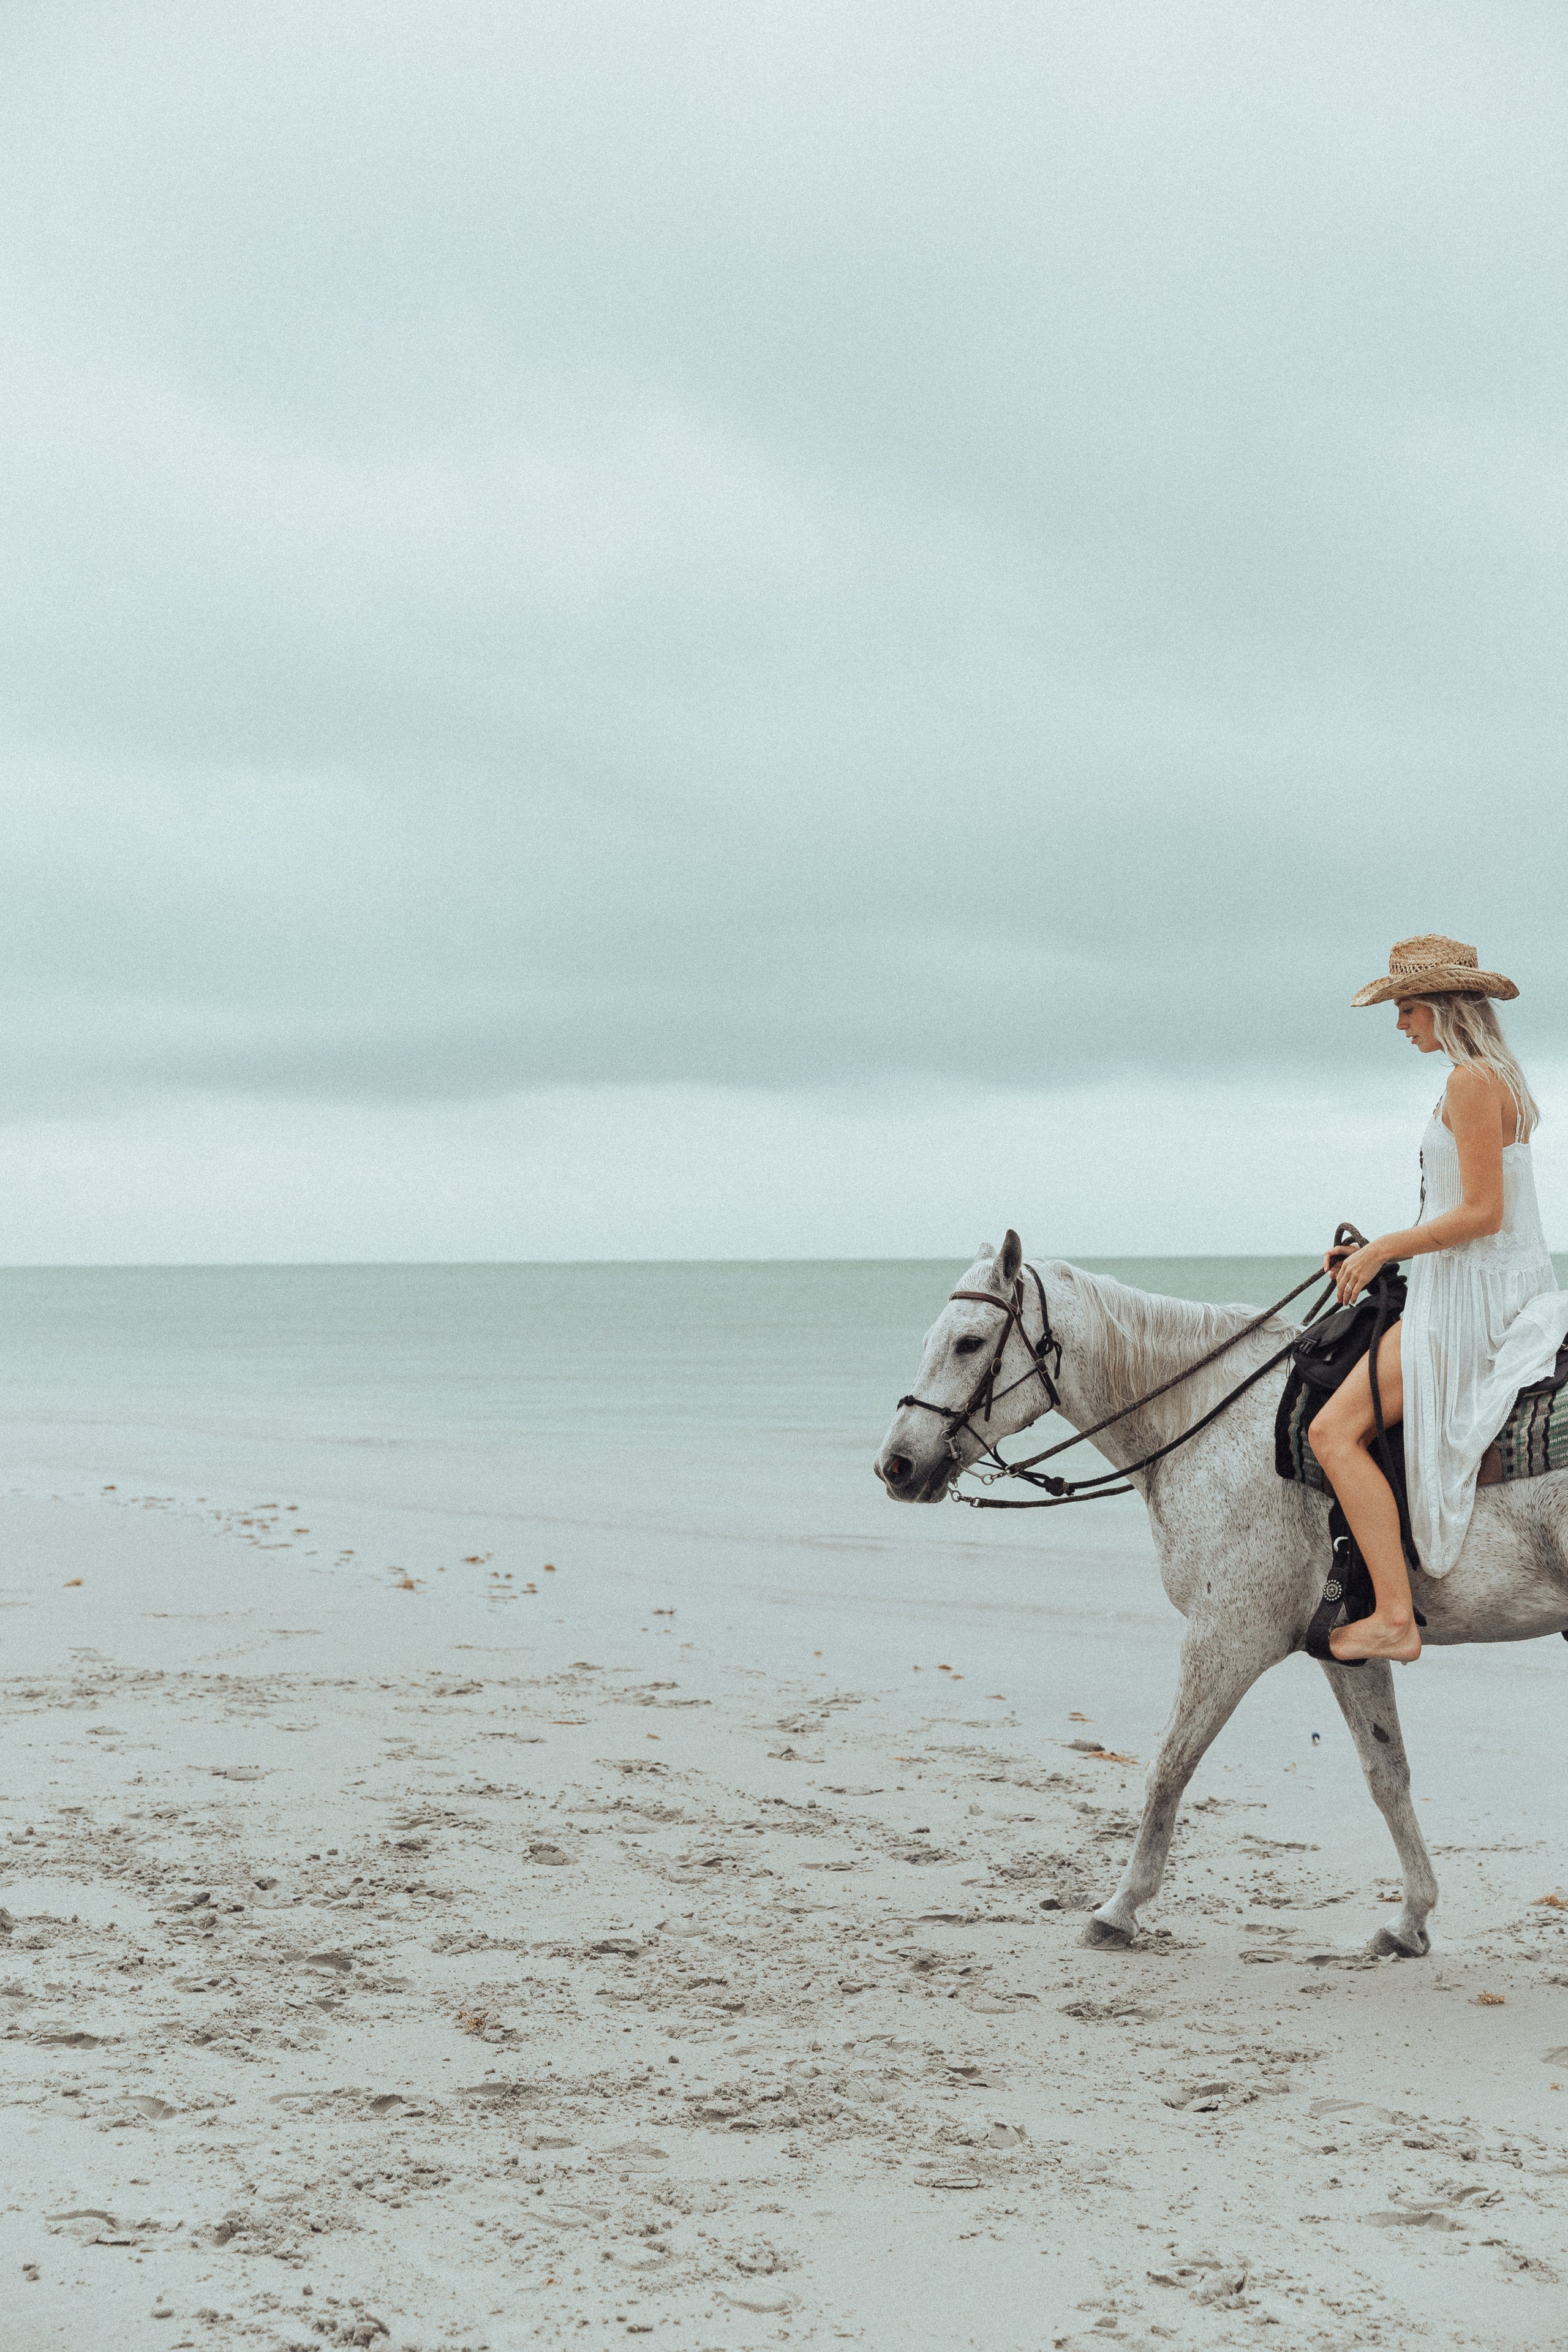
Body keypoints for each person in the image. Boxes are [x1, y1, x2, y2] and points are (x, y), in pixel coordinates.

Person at [1308, 933, 1568, 1664]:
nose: (1400, 1025)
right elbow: (1462, 1207)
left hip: (1473, 1305)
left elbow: (1483, 1213)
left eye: (1407, 1009)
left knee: (1331, 1434)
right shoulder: (1491, 1077)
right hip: (1480, 1283)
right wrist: (1375, 1251)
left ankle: (1395, 1616)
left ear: (1445, 1006)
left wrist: (1386, 1248)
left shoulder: (1471, 1082)